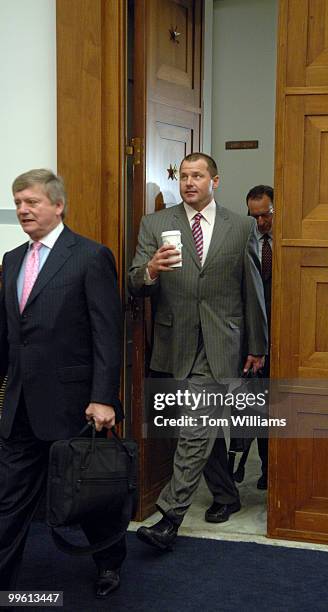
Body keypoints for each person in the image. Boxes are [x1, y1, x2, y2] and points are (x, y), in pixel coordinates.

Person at [128, 153, 268, 550]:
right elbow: (135, 282)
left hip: (224, 342)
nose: (189, 182)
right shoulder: (155, 224)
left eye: (198, 176)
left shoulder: (241, 227)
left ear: (215, 181)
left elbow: (252, 290)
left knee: (194, 428)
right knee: (199, 429)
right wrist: (151, 269)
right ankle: (226, 494)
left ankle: (169, 517)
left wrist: (258, 346)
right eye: (184, 176)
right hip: (175, 344)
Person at [0, 169, 125, 598]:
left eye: (31, 202)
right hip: (20, 405)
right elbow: (9, 333)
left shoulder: (90, 256)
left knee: (88, 497)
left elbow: (106, 333)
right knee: (8, 500)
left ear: (58, 205)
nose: (22, 210)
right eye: (18, 202)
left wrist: (104, 398)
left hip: (76, 405)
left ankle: (109, 562)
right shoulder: (12, 259)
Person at [231, 184, 273, 490]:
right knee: (247, 405)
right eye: (253, 215)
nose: (260, 222)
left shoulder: (287, 242)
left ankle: (270, 470)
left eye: (265, 215)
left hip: (283, 337)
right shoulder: (243, 240)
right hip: (249, 339)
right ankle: (239, 463)